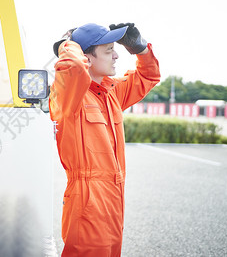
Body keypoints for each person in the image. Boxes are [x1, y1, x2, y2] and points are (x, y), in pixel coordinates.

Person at [50, 23, 160, 256]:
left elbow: (149, 76)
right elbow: (72, 67)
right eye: (109, 50)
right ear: (86, 57)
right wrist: (68, 44)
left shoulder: (111, 93)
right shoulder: (69, 95)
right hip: (87, 199)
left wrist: (140, 50)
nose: (117, 54)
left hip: (113, 197)